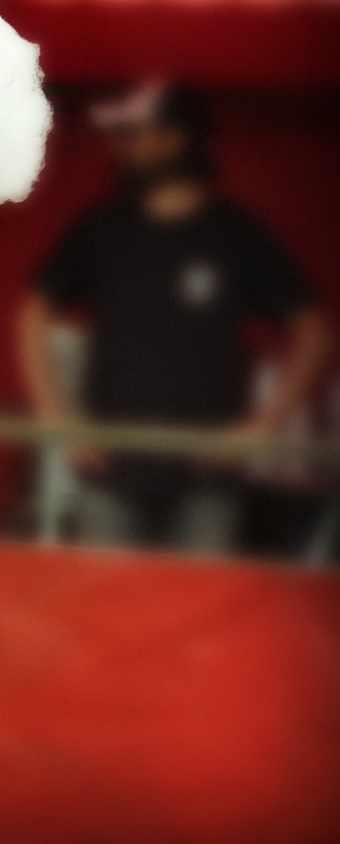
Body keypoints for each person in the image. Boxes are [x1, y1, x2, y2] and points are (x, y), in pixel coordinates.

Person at [17, 81, 331, 550]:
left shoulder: (235, 235)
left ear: (175, 138)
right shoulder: (103, 229)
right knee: (107, 614)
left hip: (209, 479)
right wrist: (55, 418)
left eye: (133, 134)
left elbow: (314, 332)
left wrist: (262, 426)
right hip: (111, 472)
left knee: (198, 617)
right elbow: (32, 310)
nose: (120, 147)